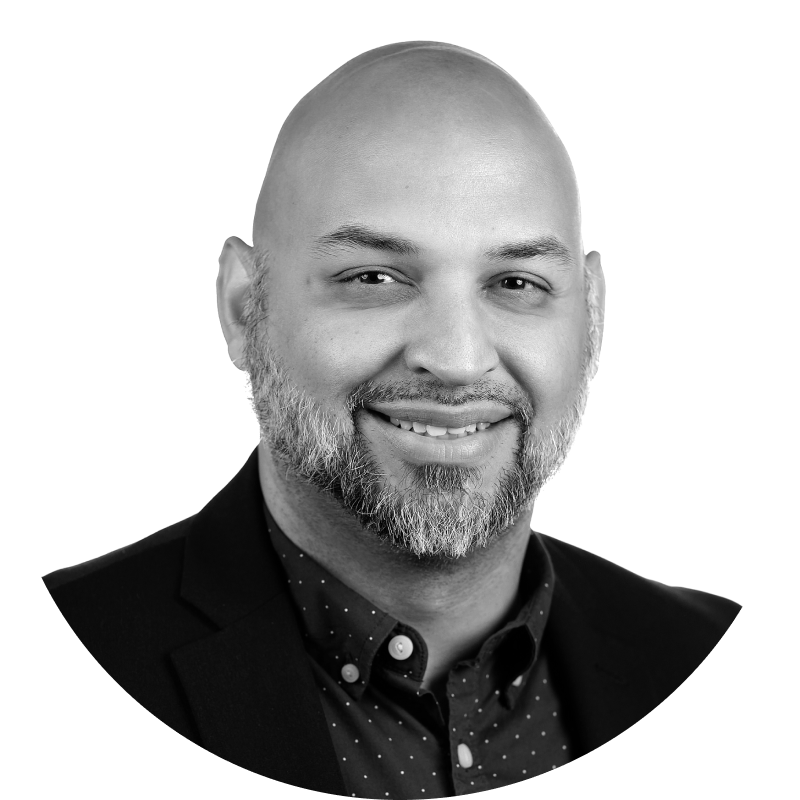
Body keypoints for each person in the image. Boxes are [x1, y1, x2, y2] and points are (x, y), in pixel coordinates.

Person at [43, 41, 740, 794]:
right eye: (374, 277)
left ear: (592, 318)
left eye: (516, 282)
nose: (457, 358)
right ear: (245, 308)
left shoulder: (700, 650)